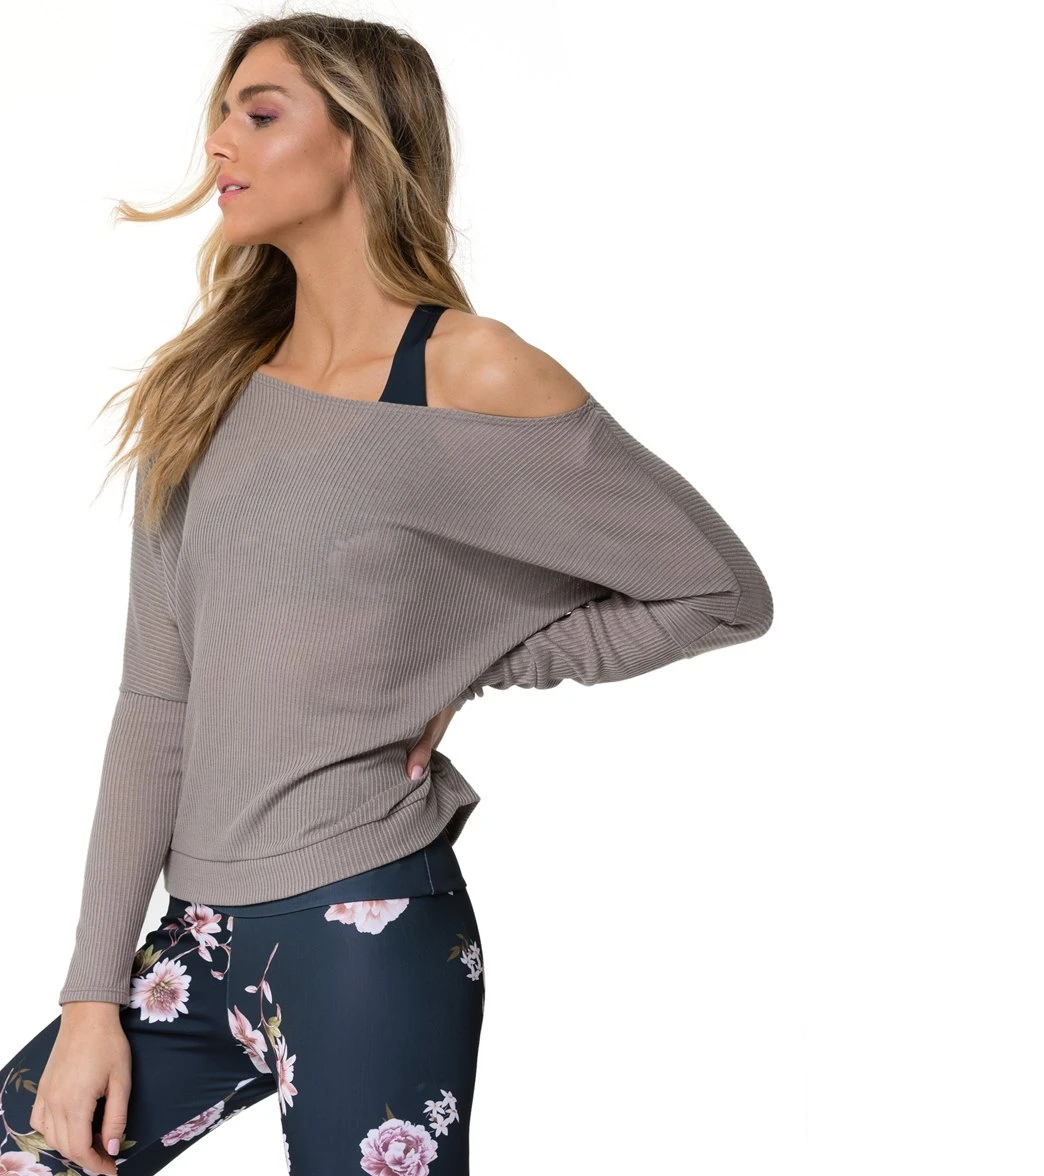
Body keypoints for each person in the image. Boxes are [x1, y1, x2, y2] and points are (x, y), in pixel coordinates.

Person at [0, 13, 773, 1176]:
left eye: (260, 113)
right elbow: (156, 703)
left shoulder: (467, 372)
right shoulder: (206, 389)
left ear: (359, 138)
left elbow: (717, 591)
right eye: (221, 113)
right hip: (195, 942)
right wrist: (90, 998)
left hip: (368, 929)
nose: (219, 142)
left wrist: (467, 661)